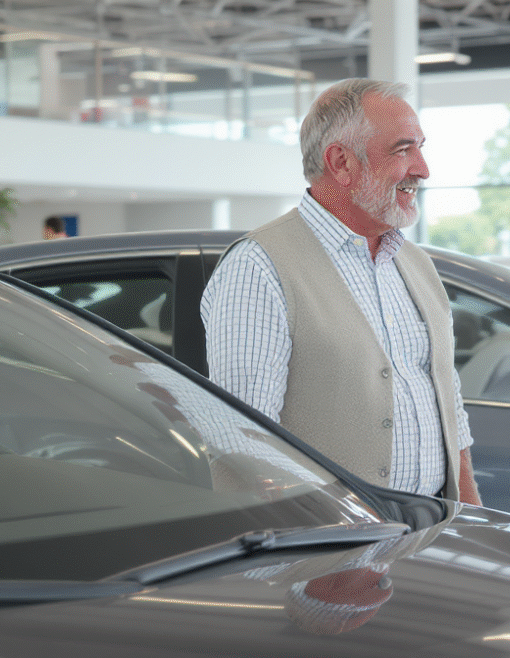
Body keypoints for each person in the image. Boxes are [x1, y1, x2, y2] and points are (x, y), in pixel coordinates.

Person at [200, 78, 481, 505]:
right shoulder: (259, 267)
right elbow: (244, 447)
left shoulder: (415, 264)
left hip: (432, 536)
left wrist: (471, 517)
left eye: (421, 147)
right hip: (333, 554)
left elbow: (449, 407)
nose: (423, 168)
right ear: (342, 163)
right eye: (403, 150)